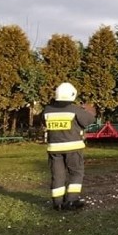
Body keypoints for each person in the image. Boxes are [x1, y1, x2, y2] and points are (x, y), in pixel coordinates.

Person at [43, 82, 95, 211]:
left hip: (54, 149)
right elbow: (89, 120)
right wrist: (87, 110)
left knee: (57, 175)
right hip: (73, 148)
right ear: (72, 95)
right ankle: (72, 200)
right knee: (76, 173)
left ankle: (58, 203)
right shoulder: (74, 109)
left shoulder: (47, 110)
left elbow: (43, 121)